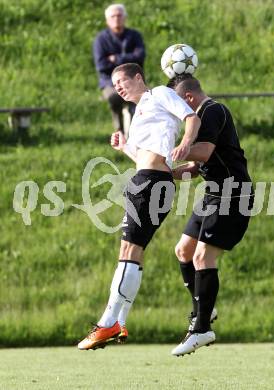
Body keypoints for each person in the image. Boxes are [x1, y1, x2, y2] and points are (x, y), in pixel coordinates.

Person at [78, 63, 201, 350]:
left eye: (122, 80)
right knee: (133, 252)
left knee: (128, 250)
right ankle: (119, 320)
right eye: (114, 83)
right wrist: (125, 147)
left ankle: (108, 322)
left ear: (138, 77)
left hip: (151, 183)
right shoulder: (137, 113)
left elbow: (191, 117)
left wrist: (184, 144)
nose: (118, 87)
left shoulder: (158, 93)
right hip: (145, 180)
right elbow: (144, 156)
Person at [167, 75, 254, 356]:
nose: (180, 116)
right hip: (214, 194)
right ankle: (205, 306)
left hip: (233, 194)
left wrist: (168, 154)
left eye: (178, 106)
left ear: (189, 99)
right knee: (183, 251)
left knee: (203, 257)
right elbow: (196, 166)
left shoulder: (212, 111)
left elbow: (203, 152)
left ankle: (202, 328)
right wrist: (167, 172)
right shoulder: (203, 115)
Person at [93, 4, 145, 137]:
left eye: (119, 15)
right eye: (113, 16)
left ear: (125, 18)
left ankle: (137, 135)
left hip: (134, 82)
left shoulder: (134, 36)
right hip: (110, 84)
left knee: (143, 99)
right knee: (114, 97)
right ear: (107, 20)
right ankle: (119, 132)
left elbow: (140, 56)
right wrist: (127, 61)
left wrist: (115, 58)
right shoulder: (101, 40)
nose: (116, 18)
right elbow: (101, 65)